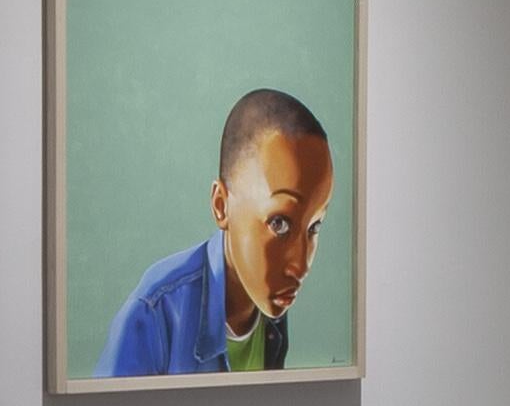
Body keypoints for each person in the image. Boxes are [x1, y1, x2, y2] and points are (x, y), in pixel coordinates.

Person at [104, 88, 339, 375]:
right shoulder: (154, 315)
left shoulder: (270, 311)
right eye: (279, 223)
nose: (300, 266)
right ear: (221, 206)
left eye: (314, 226)